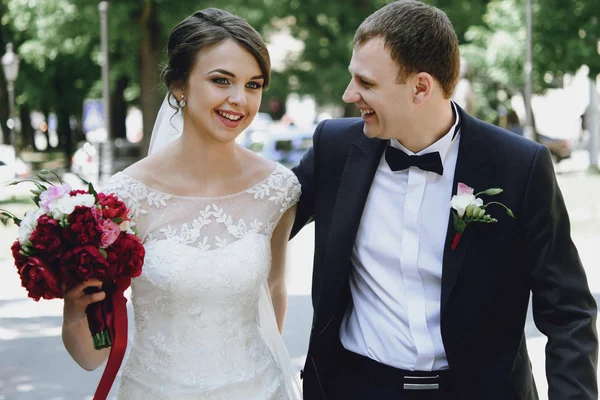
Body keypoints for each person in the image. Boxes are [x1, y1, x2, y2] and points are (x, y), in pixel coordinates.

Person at [291, 1, 598, 399]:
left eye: (366, 83)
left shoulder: (519, 166)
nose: (350, 94)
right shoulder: (334, 148)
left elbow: (568, 310)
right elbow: (258, 219)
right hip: (357, 387)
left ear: (421, 87)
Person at [61, 8, 302, 399]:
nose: (239, 100)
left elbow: (274, 289)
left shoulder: (277, 189)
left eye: (253, 85)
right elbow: (92, 356)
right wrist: (73, 312)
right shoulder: (124, 198)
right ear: (179, 85)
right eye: (221, 80)